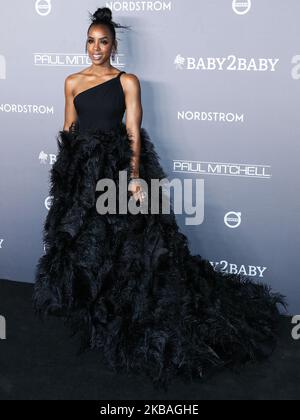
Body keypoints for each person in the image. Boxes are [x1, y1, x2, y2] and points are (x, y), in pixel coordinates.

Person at [33, 7, 285, 391]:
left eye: (103, 42)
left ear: (114, 45)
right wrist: (64, 177)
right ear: (85, 44)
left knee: (131, 245)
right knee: (86, 243)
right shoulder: (71, 82)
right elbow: (68, 129)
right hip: (82, 174)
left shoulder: (128, 82)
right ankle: (94, 312)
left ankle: (125, 314)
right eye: (91, 41)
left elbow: (133, 130)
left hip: (117, 170)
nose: (96, 48)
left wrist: (134, 178)